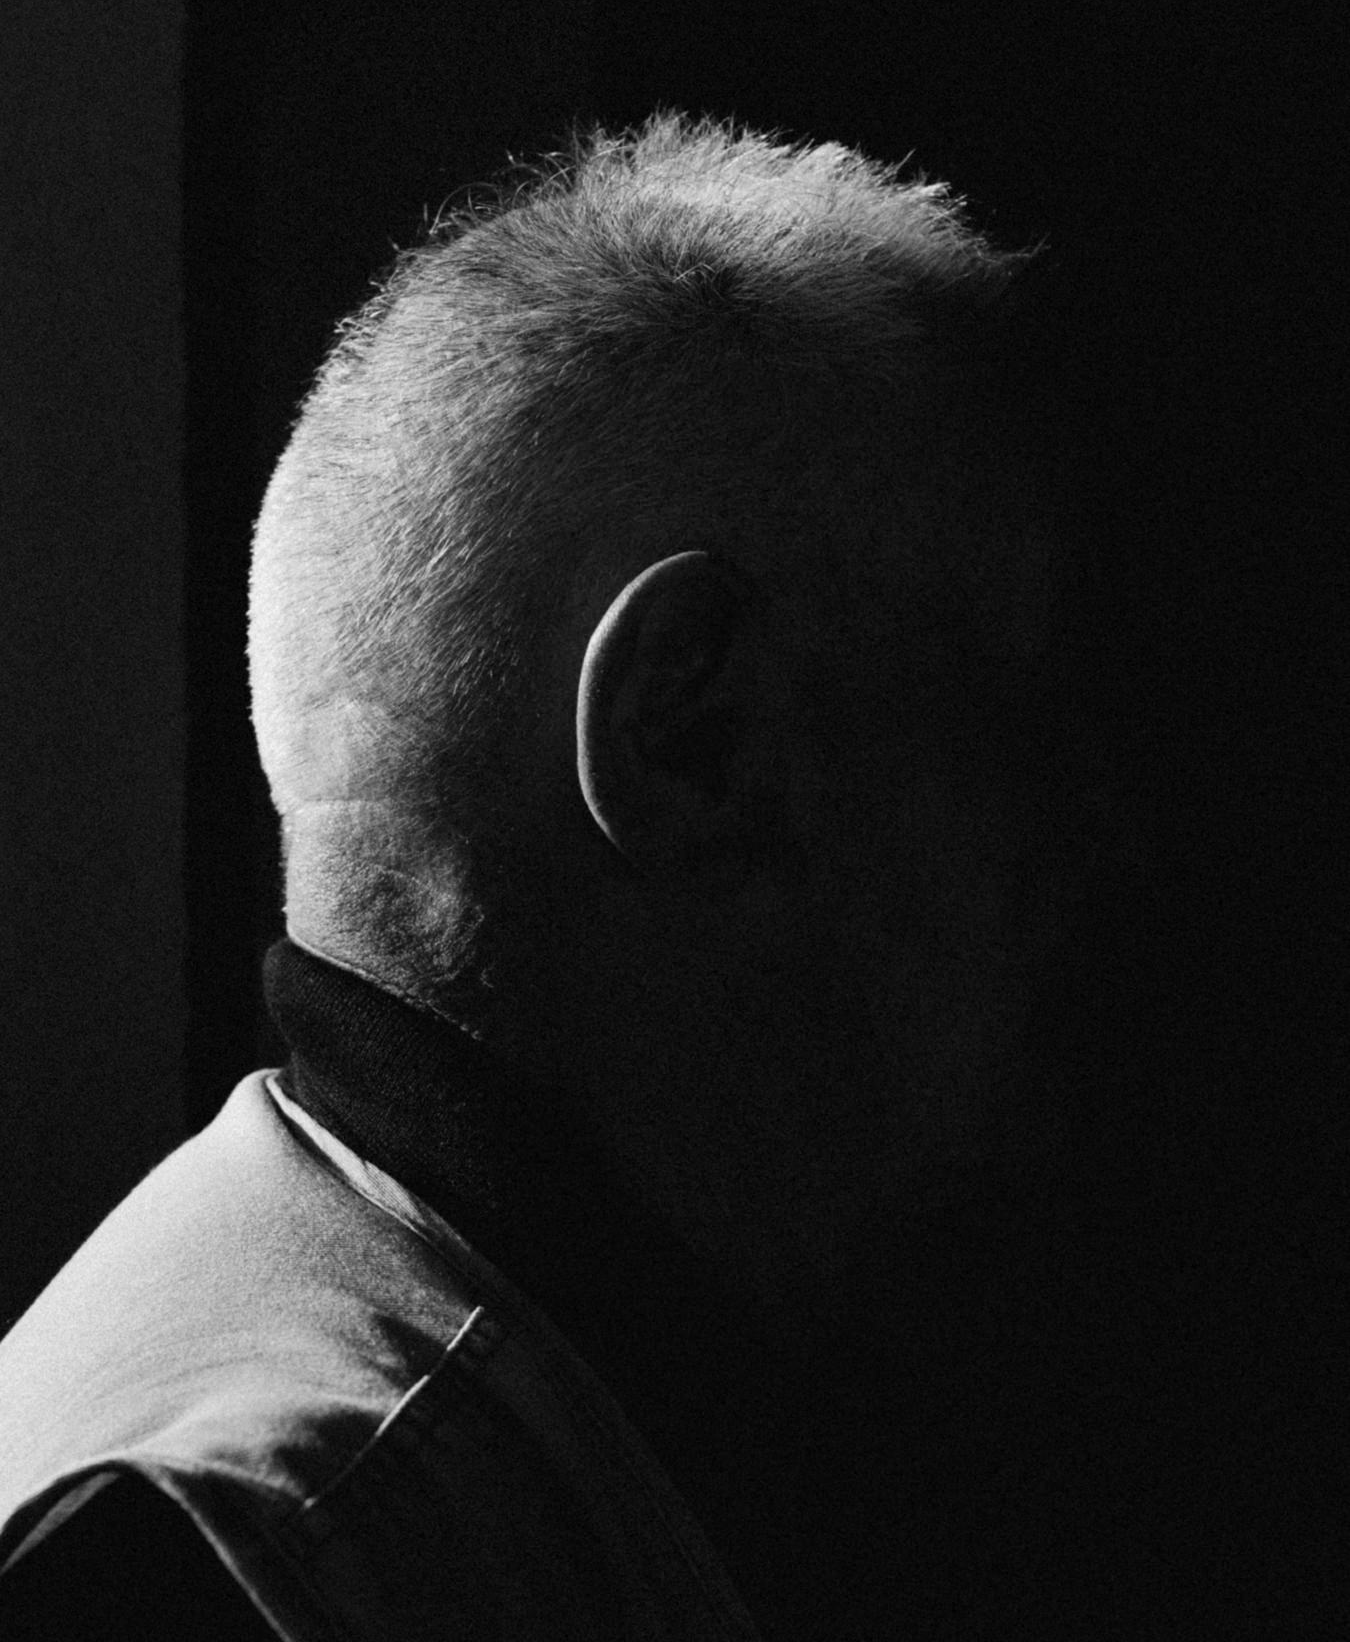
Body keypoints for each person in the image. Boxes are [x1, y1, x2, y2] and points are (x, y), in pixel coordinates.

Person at [0, 113, 1335, 1639]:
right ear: (688, 734)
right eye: (1024, 712)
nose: (1108, 841)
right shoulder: (231, 1569)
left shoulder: (434, 1410)